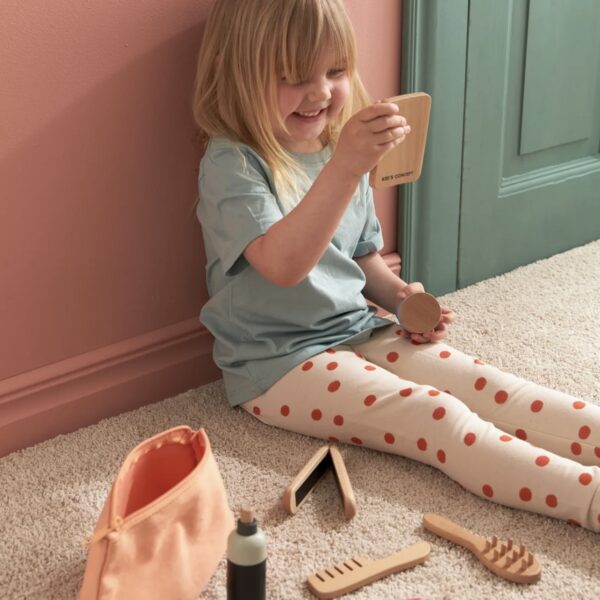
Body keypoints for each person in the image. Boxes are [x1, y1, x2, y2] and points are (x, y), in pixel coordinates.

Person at [192, 0, 600, 532]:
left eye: (335, 71)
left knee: (486, 383)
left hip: (356, 329)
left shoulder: (339, 149)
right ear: (242, 76)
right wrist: (346, 167)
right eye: (294, 77)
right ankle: (588, 501)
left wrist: (403, 301)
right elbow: (284, 266)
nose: (320, 93)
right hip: (277, 365)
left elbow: (362, 258)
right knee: (438, 417)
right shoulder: (233, 163)